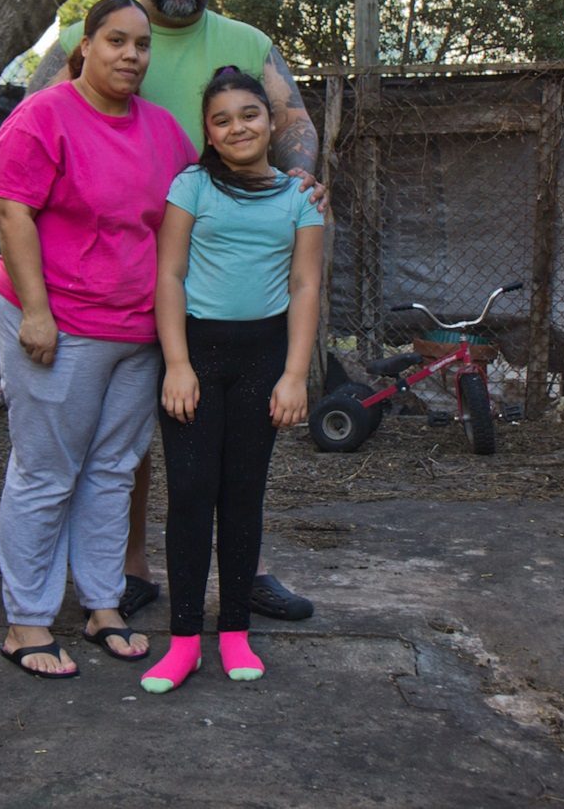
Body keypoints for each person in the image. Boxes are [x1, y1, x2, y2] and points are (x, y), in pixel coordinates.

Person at [28, 0, 323, 623]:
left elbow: (294, 120)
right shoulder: (86, 36)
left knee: (239, 430)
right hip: (122, 267)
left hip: (229, 265)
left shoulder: (246, 42)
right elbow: (33, 120)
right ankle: (129, 567)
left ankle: (243, 570)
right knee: (131, 431)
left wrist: (305, 176)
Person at [0, 0, 198, 678]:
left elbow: (197, 206)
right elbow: (11, 210)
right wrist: (37, 312)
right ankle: (28, 619)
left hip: (135, 329)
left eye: (141, 45)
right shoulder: (45, 115)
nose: (131, 55)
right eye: (116, 41)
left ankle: (103, 602)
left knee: (113, 468)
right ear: (86, 47)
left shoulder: (162, 131)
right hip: (56, 319)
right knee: (47, 470)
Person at [140, 68, 323, 694]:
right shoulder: (191, 187)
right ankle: (185, 640)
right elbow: (169, 275)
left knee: (244, 494)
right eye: (222, 119)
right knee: (191, 492)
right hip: (196, 355)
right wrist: (178, 363)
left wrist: (295, 375)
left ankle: (236, 631)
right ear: (209, 135)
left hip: (263, 358)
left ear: (271, 123)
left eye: (250, 114)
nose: (238, 126)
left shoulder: (300, 199)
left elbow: (304, 287)